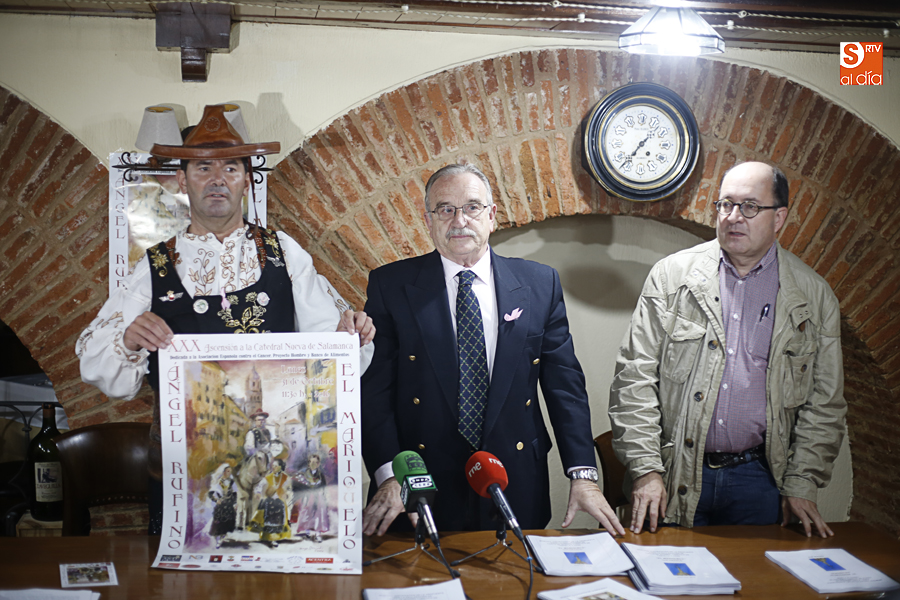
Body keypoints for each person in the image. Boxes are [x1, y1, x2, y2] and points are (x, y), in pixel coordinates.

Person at [76, 104, 375, 534]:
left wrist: (352, 336)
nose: (217, 179)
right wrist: (127, 339)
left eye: (231, 168)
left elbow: (332, 349)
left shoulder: (283, 252)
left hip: (274, 467)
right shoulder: (155, 265)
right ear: (182, 180)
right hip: (185, 470)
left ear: (247, 180)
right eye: (202, 168)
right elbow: (97, 365)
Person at [361, 163, 624, 536]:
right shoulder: (391, 285)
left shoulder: (538, 283)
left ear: (492, 215)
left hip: (514, 479)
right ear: (429, 219)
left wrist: (583, 476)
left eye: (471, 207)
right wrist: (389, 475)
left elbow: (564, 385)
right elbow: (375, 392)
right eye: (445, 209)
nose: (459, 220)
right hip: (420, 484)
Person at [608, 161, 846, 538]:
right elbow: (632, 381)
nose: (734, 217)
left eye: (750, 206)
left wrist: (802, 483)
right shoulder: (671, 277)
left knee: (756, 588)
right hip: (675, 472)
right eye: (725, 205)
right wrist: (647, 470)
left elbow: (824, 403)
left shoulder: (812, 297)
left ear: (779, 217)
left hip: (760, 479)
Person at [249, 459, 292, 547]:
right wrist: (257, 492)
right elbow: (259, 486)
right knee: (267, 515)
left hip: (280, 501)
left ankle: (275, 538)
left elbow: (289, 489)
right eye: (273, 466)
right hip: (269, 501)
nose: (274, 468)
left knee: (279, 517)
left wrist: (287, 493)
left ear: (280, 467)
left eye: (276, 466)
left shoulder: (285, 477)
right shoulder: (268, 477)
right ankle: (267, 536)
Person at [295, 453, 330, 542]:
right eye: (311, 462)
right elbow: (301, 486)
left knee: (319, 513)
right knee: (307, 512)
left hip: (318, 496)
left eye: (315, 462)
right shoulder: (304, 474)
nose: (313, 464)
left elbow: (323, 486)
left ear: (318, 464)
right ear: (308, 463)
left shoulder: (320, 475)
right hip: (308, 496)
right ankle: (308, 532)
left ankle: (318, 533)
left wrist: (324, 496)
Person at [208, 463, 237, 548]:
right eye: (228, 471)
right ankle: (217, 539)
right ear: (223, 472)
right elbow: (210, 494)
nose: (229, 473)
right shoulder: (217, 482)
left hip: (229, 505)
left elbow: (235, 494)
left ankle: (222, 537)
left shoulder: (231, 482)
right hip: (221, 506)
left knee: (227, 522)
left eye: (230, 471)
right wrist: (216, 500)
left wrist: (235, 503)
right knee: (218, 522)